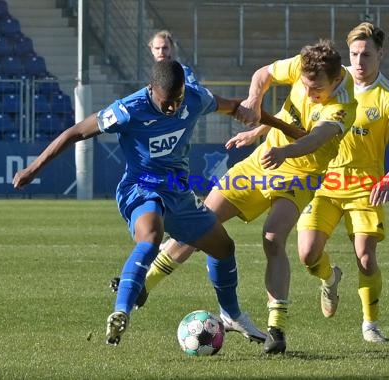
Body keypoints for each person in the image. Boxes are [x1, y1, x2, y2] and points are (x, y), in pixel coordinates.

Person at [12, 60, 264, 346]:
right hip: (140, 188)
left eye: (177, 101)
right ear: (151, 89)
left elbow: (229, 105)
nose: (172, 108)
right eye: (166, 102)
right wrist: (33, 169)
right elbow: (76, 132)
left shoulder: (195, 97)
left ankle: (231, 314)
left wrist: (245, 111)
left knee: (224, 247)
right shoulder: (127, 110)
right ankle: (121, 311)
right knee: (151, 236)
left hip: (177, 192)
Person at [141, 39, 357, 354]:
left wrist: (285, 151)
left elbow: (316, 138)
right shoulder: (303, 64)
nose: (310, 93)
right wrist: (255, 102)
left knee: (272, 238)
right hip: (264, 160)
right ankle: (142, 288)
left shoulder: (344, 103)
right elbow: (262, 75)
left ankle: (277, 329)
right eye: (306, 86)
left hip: (301, 173)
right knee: (202, 222)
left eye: (317, 90)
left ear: (335, 81)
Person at [296, 22, 389, 343]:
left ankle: (370, 324)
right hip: (324, 183)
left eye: (366, 54)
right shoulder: (336, 81)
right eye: (354, 54)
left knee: (365, 256)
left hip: (365, 188)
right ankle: (329, 278)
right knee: (307, 254)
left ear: (380, 54)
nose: (359, 61)